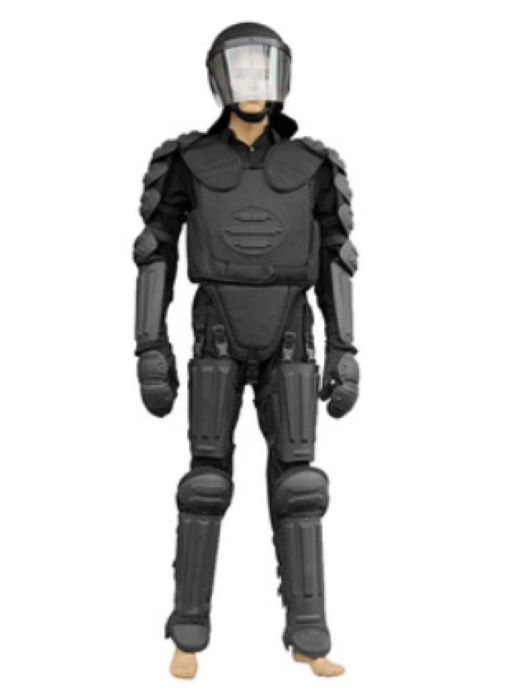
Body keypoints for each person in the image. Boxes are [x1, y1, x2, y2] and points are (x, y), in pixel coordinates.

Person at [133, 21, 359, 679]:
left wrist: (344, 347)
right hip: (217, 333)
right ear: (220, 78)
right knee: (205, 483)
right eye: (242, 68)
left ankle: (309, 637)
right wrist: (149, 345)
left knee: (301, 485)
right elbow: (154, 250)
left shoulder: (314, 166)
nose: (254, 81)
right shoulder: (187, 160)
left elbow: (336, 258)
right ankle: (187, 635)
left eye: (264, 68)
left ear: (281, 76)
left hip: (291, 334)